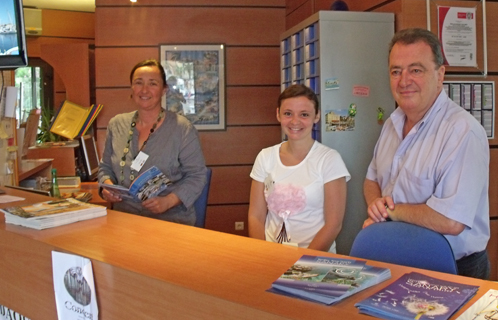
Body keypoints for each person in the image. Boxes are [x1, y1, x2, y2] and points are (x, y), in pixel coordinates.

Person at [363, 28, 490, 279]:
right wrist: (377, 206)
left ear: (440, 74)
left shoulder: (462, 131)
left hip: (451, 269)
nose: (404, 80)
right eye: (396, 71)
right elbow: (372, 180)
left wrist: (390, 212)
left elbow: (450, 220)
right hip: (395, 258)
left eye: (416, 70)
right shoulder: (392, 124)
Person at [98, 59, 207, 226]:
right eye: (138, 83)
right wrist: (107, 187)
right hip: (124, 220)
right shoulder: (116, 124)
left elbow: (197, 176)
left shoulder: (182, 128)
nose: (144, 90)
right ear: (131, 88)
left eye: (153, 84)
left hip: (171, 221)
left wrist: (168, 201)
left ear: (164, 90)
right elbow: (105, 167)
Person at [248, 84, 350, 252]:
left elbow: (334, 224)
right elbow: (255, 216)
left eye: (304, 114)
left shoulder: (329, 160)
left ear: (316, 116)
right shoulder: (265, 157)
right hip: (272, 256)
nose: (295, 121)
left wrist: (301, 264)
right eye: (288, 114)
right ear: (278, 115)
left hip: (314, 260)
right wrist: (262, 255)